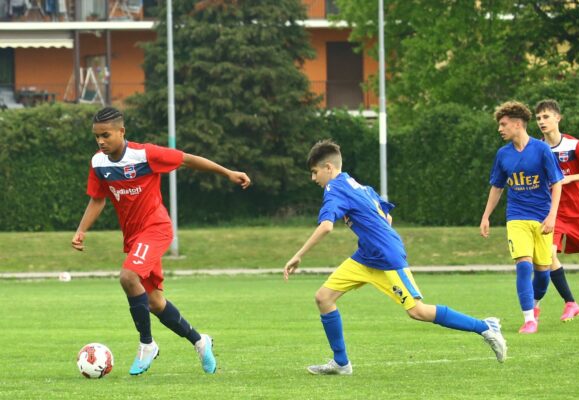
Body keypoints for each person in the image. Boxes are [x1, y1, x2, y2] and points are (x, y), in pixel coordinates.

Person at [283, 139, 507, 375]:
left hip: (386, 257)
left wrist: (298, 255)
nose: (313, 178)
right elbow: (386, 217)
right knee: (324, 297)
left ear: (328, 168)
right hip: (366, 255)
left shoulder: (335, 188)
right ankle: (341, 363)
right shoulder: (358, 185)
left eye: (314, 172)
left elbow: (327, 226)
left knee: (417, 311)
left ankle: (485, 326)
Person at [72, 107, 251, 376]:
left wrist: (227, 173)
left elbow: (188, 160)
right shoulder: (99, 163)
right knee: (154, 303)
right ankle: (200, 341)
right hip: (134, 239)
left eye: (106, 135)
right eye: (96, 136)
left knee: (127, 276)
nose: (100, 141)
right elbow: (98, 199)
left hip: (156, 228)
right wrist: (81, 230)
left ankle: (147, 344)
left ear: (122, 132)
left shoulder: (145, 154)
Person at [480, 101, 563, 334]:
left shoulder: (542, 150)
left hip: (542, 219)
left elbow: (557, 183)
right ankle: (529, 320)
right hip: (516, 217)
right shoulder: (502, 154)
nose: (500, 129)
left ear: (517, 124)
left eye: (504, 124)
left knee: (543, 274)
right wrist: (486, 216)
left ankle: (535, 306)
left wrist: (552, 216)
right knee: (523, 266)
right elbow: (497, 187)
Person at [534, 99, 579, 321]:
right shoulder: (538, 148)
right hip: (552, 212)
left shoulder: (574, 145)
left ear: (557, 118)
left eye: (546, 117)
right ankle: (570, 303)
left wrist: (569, 178)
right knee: (548, 254)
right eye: (538, 118)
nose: (541, 121)